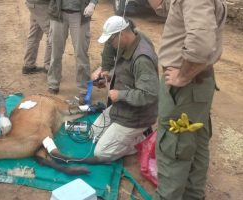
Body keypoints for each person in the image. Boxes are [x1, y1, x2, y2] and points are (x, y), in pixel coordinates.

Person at [153, 0, 227, 199]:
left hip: (185, 86)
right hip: (196, 82)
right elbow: (166, 9)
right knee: (194, 148)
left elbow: (201, 45)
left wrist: (183, 76)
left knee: (174, 151)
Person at [88, 16, 159, 162]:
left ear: (122, 34)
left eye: (111, 40)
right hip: (122, 107)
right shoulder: (125, 44)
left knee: (102, 153)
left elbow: (150, 94)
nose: (110, 44)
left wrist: (120, 95)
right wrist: (107, 75)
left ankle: (142, 140)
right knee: (93, 133)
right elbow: (125, 71)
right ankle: (127, 136)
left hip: (137, 115)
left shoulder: (142, 59)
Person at [47, 0, 98, 104]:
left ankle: (84, 89)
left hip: (81, 15)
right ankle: (53, 84)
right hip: (58, 13)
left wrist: (92, 3)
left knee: (81, 54)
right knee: (55, 53)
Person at [22, 0, 51, 74]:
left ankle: (28, 65)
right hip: (41, 5)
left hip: (33, 4)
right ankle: (49, 68)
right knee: (52, 35)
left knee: (35, 34)